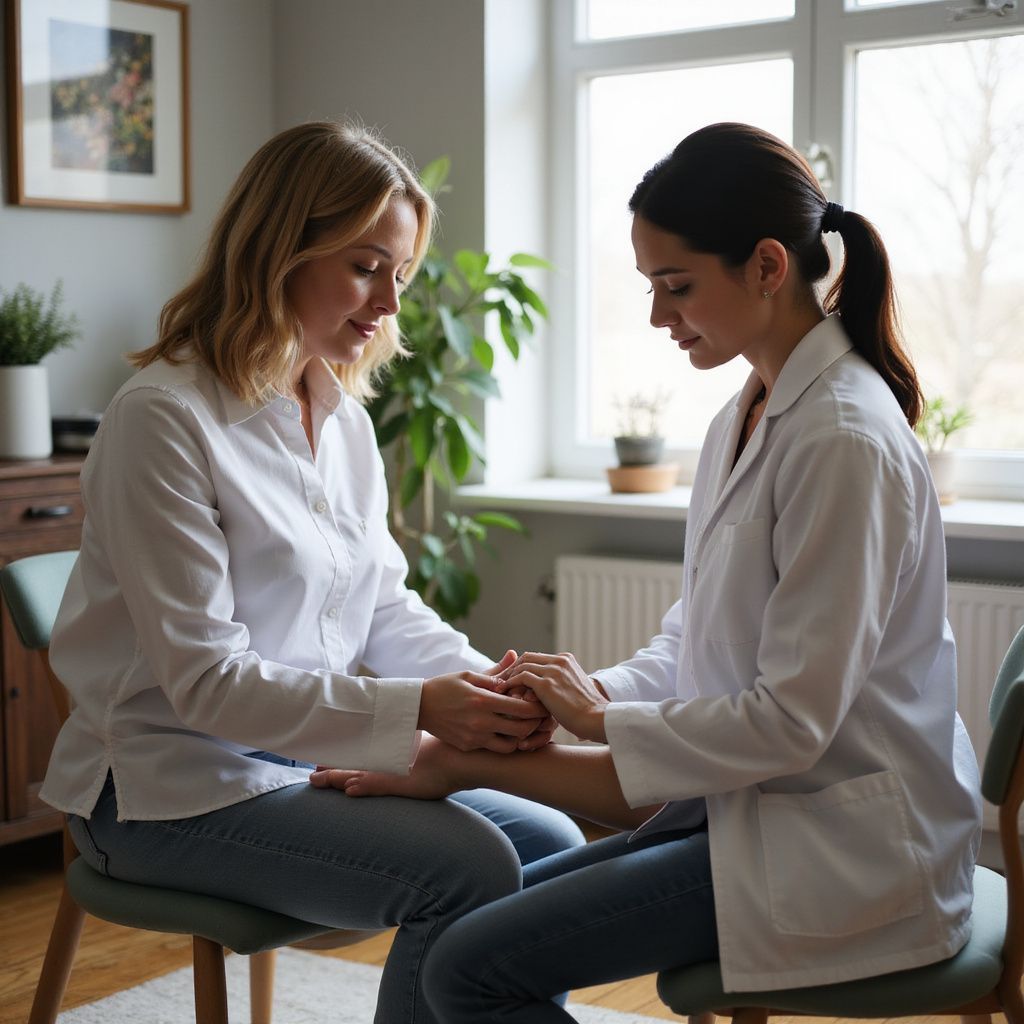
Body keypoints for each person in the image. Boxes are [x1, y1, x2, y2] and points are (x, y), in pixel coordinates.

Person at [311, 122, 984, 1022]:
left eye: (677, 286)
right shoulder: (747, 413)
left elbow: (791, 724)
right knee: (466, 923)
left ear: (769, 267)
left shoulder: (844, 440)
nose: (660, 316)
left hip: (840, 850)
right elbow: (696, 635)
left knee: (471, 967)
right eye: (651, 288)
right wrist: (579, 695)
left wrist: (584, 722)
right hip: (754, 815)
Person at [39, 120, 584, 1023]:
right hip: (163, 789)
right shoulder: (163, 420)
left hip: (297, 761)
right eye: (367, 266)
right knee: (471, 868)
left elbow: (379, 603)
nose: (389, 306)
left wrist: (492, 686)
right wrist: (420, 710)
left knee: (552, 839)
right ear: (280, 247)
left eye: (399, 275)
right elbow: (207, 686)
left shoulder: (342, 418)